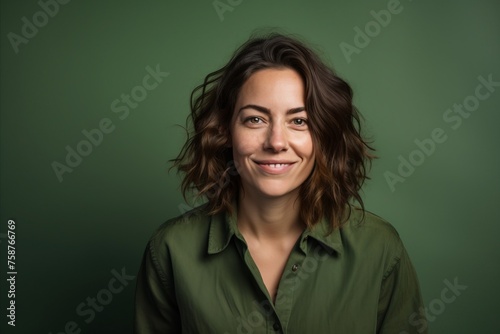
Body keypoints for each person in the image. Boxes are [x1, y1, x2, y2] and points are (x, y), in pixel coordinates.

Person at [134, 33, 428, 334]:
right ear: (224, 131)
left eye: (299, 121)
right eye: (255, 120)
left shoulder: (379, 249)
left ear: (323, 135)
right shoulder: (171, 250)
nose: (276, 142)